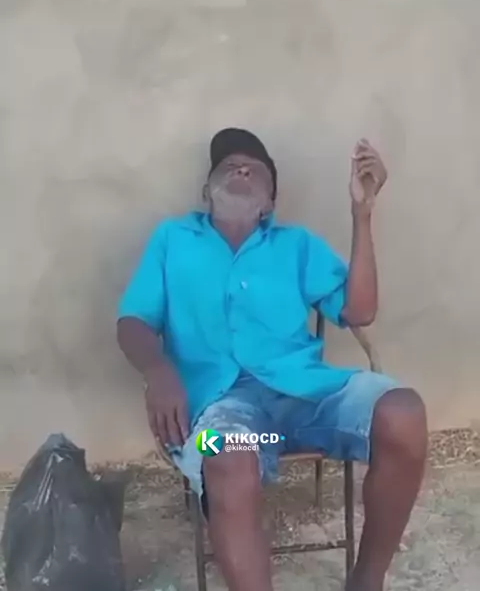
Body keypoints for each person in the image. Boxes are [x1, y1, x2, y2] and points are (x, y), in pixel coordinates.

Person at [117, 128, 427, 591]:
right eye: (229, 166)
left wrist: (362, 215)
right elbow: (132, 321)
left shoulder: (295, 244)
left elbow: (359, 311)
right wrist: (157, 370)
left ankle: (366, 581)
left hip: (308, 401)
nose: (241, 169)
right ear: (206, 192)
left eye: (255, 169)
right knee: (225, 455)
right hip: (212, 417)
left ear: (269, 202)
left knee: (404, 412)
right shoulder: (172, 240)